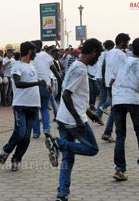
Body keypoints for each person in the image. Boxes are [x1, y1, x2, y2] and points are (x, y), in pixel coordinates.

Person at [44, 38, 103, 201]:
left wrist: (90, 113)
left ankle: (62, 193)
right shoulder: (80, 69)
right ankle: (57, 143)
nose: (97, 59)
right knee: (92, 149)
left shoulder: (75, 66)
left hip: (64, 117)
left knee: (68, 157)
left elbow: (75, 94)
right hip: (72, 119)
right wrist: (78, 119)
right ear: (93, 52)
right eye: (98, 55)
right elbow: (66, 94)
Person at [112, 38, 139, 181]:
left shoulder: (123, 61)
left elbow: (113, 80)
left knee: (120, 135)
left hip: (117, 99)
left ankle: (119, 169)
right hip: (132, 99)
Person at [0, 41, 46, 171]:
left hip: (34, 105)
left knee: (26, 137)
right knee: (20, 133)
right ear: (30, 51)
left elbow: (34, 82)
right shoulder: (16, 66)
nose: (36, 53)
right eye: (34, 51)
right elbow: (18, 83)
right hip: (20, 105)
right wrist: (37, 83)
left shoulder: (32, 66)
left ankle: (16, 160)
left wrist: (44, 86)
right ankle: (6, 150)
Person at [100, 33, 130, 143]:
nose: (127, 44)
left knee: (114, 108)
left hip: (109, 82)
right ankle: (108, 132)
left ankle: (108, 132)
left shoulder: (109, 53)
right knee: (116, 109)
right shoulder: (121, 55)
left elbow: (104, 67)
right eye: (126, 42)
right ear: (122, 42)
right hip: (118, 84)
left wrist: (104, 79)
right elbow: (124, 71)